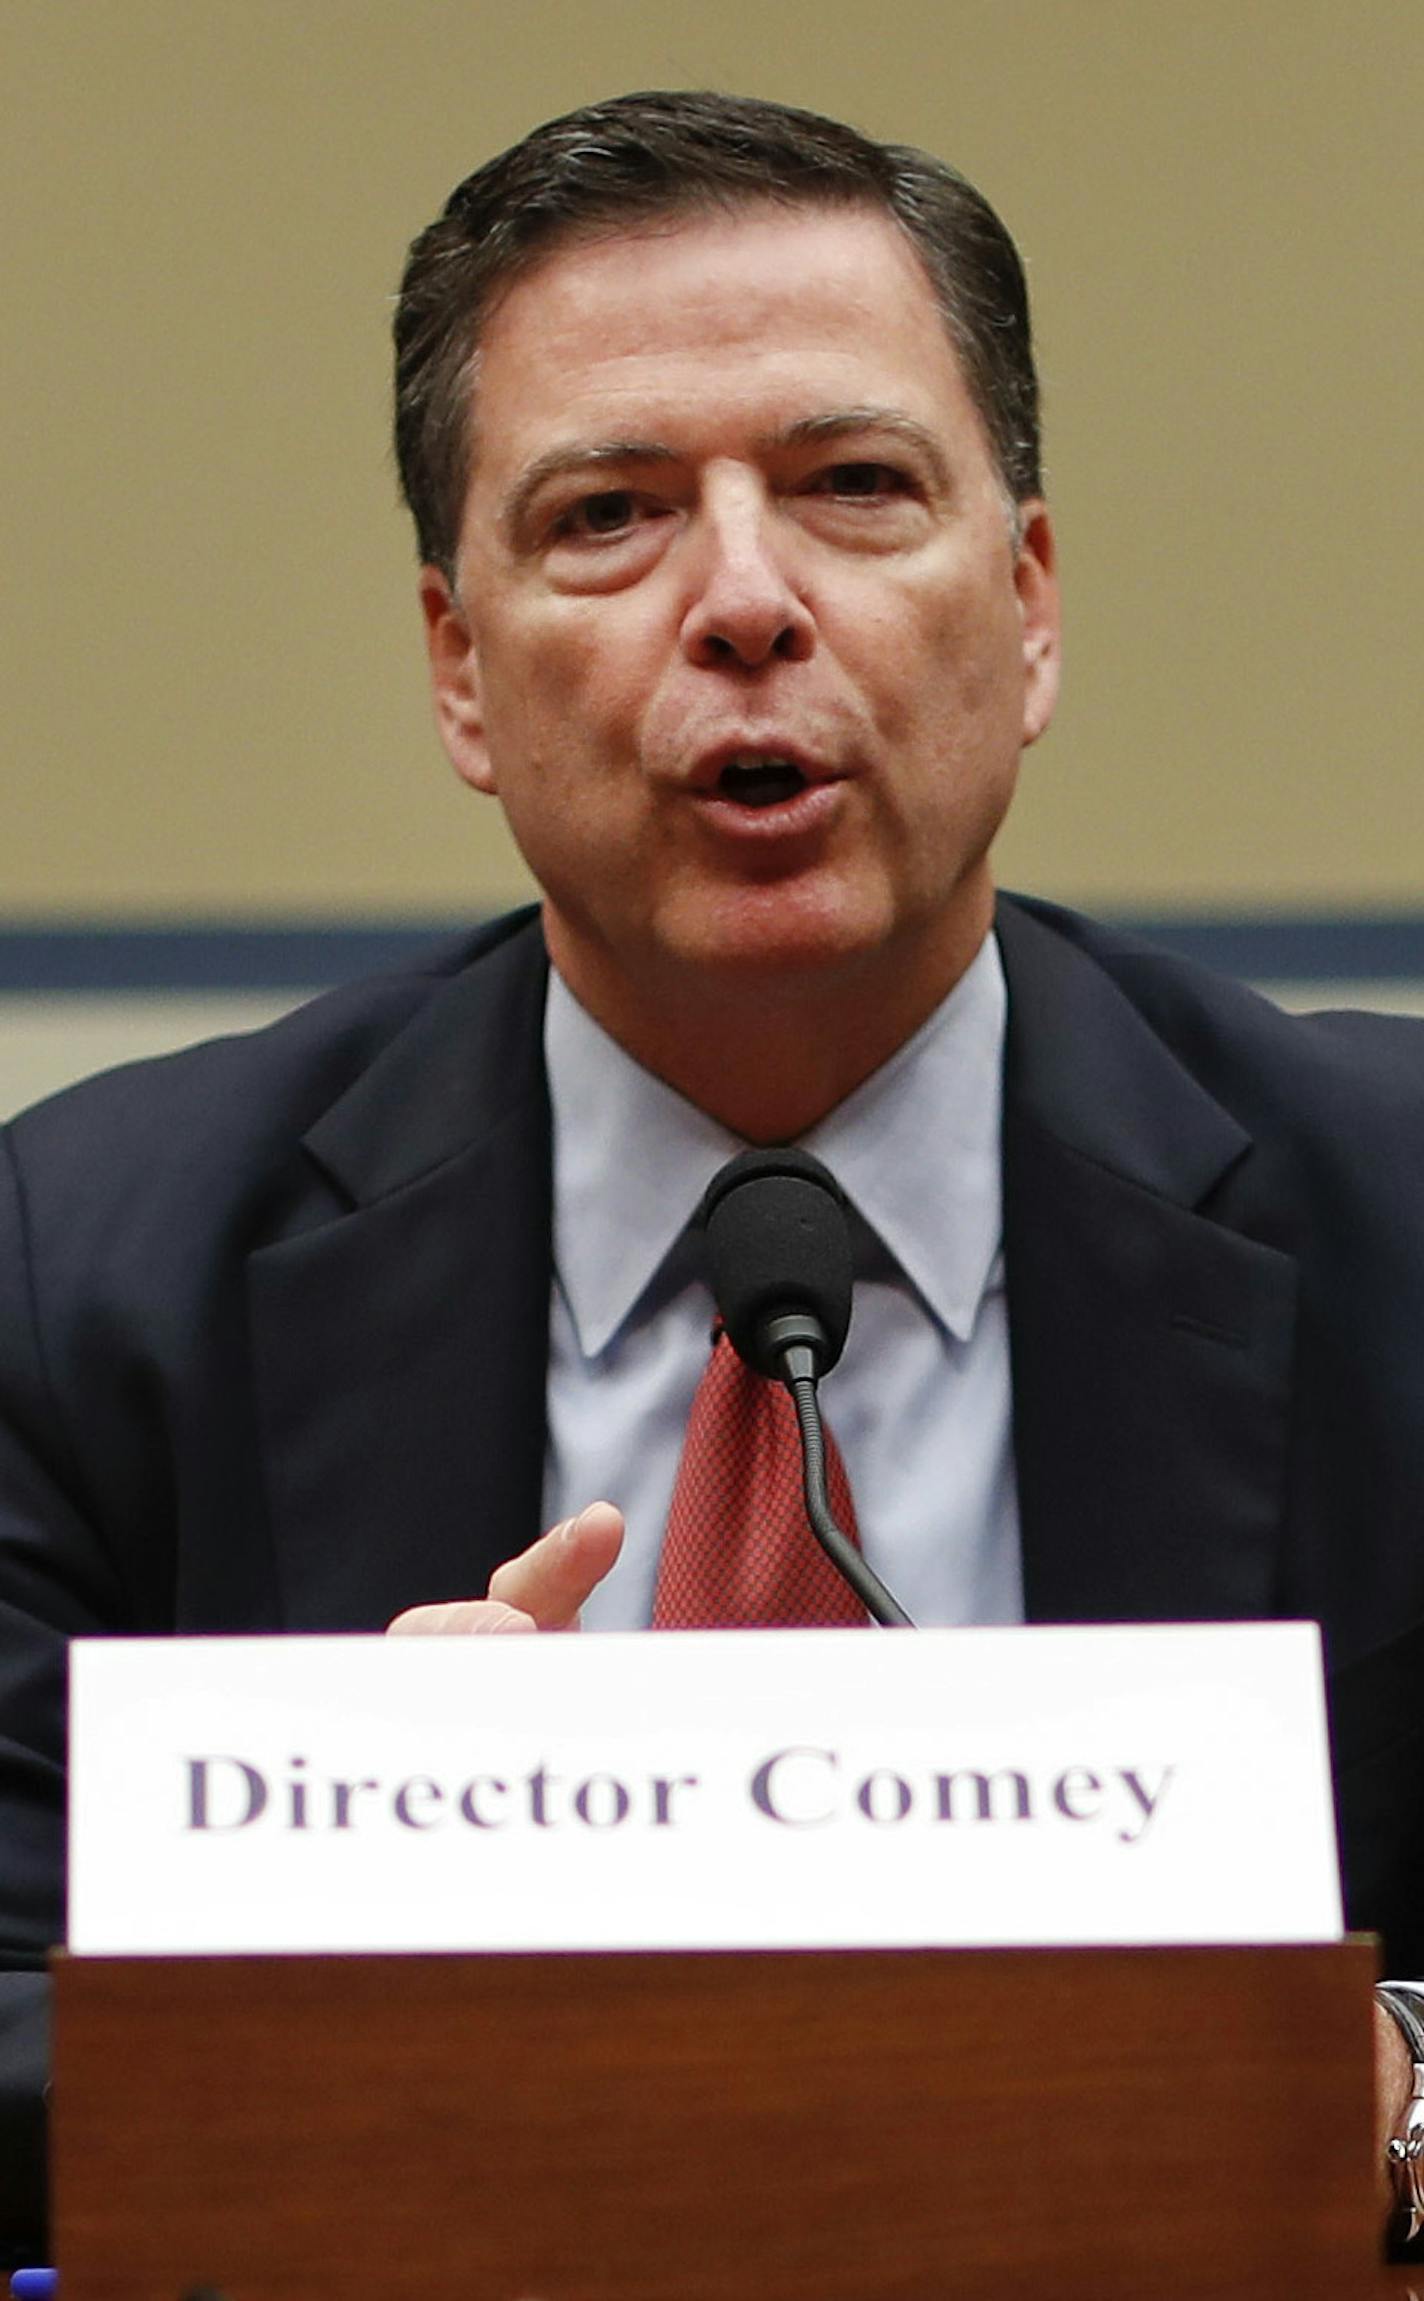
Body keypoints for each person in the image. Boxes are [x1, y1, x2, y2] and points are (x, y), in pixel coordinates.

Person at [3, 90, 1424, 2262]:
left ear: (1028, 605)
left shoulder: (1401, 1222)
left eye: (853, 487)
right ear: (458, 665)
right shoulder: (81, 1274)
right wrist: (288, 1948)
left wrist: (1397, 2089)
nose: (747, 600)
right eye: (609, 515)